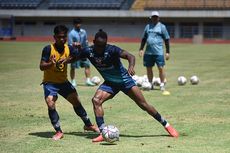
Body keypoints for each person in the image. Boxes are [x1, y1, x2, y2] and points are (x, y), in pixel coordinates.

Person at [77, 29, 179, 142]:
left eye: (103, 45)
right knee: (96, 100)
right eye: (98, 45)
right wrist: (64, 60)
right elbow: (73, 57)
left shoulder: (112, 49)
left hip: (125, 81)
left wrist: (131, 66)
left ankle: (166, 125)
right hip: (110, 83)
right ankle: (102, 132)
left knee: (143, 105)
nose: (101, 48)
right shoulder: (88, 51)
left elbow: (130, 56)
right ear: (94, 41)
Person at [39, 25, 99, 141]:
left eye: (64, 37)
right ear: (54, 37)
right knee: (50, 103)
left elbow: (78, 57)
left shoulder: (69, 48)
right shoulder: (48, 49)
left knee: (76, 102)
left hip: (63, 82)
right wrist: (51, 64)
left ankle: (88, 124)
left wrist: (79, 49)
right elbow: (41, 66)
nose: (62, 39)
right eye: (59, 37)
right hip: (50, 83)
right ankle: (58, 131)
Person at [139, 11, 170, 91]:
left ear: (158, 18)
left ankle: (162, 84)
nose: (155, 18)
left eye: (156, 17)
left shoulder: (162, 27)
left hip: (158, 52)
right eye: (153, 17)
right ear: (151, 18)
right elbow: (144, 39)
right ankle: (150, 83)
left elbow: (166, 39)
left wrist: (167, 52)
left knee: (161, 68)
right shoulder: (148, 26)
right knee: (148, 68)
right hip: (148, 52)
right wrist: (141, 49)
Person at [68, 18, 95, 87]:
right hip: (75, 52)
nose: (78, 25)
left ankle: (88, 80)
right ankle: (73, 81)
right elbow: (70, 44)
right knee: (73, 66)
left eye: (79, 23)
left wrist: (88, 49)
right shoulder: (71, 33)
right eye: (77, 23)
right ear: (74, 24)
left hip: (84, 51)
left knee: (87, 65)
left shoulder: (83, 32)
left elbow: (86, 41)